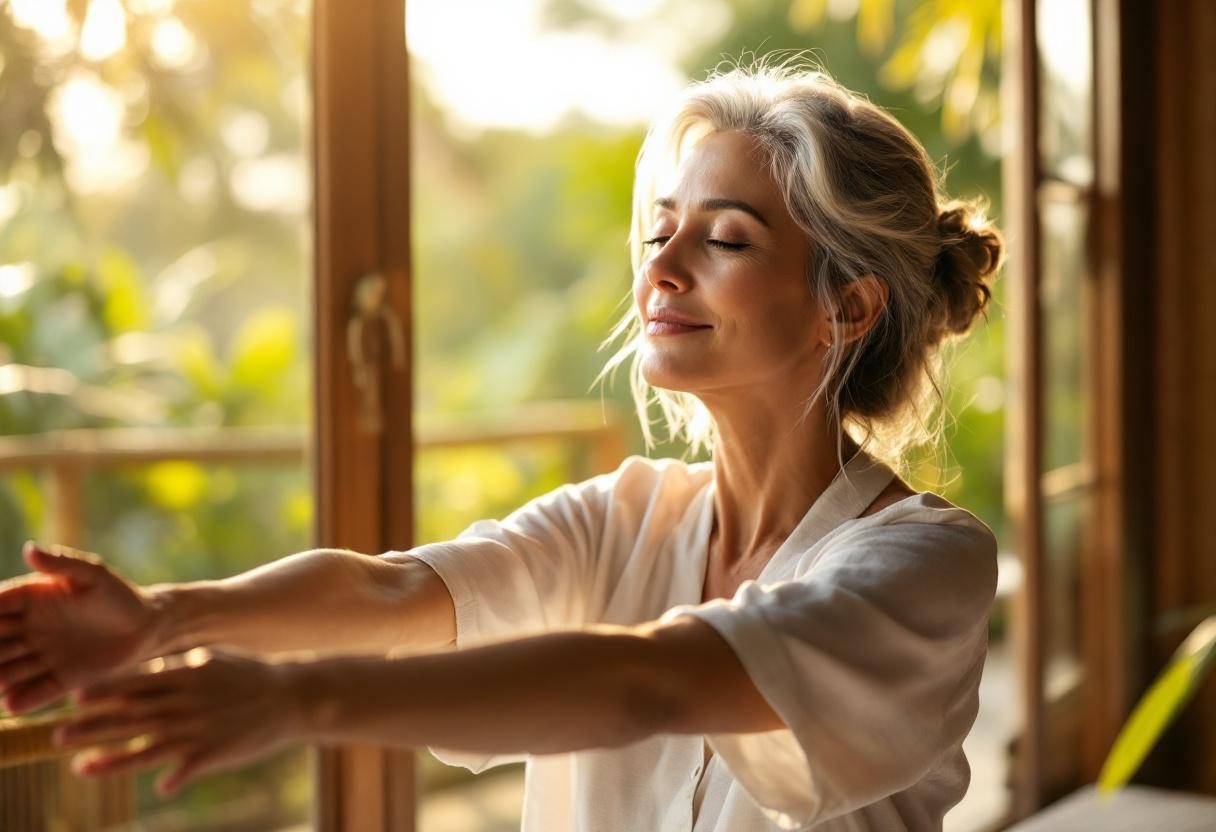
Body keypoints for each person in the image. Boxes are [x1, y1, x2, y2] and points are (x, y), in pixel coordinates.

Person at [0, 60, 1003, 831]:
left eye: (725, 239)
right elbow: (393, 593)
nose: (662, 270)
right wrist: (163, 618)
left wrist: (293, 697)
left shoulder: (923, 562)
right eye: (660, 234)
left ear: (847, 307)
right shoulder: (623, 515)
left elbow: (647, 682)